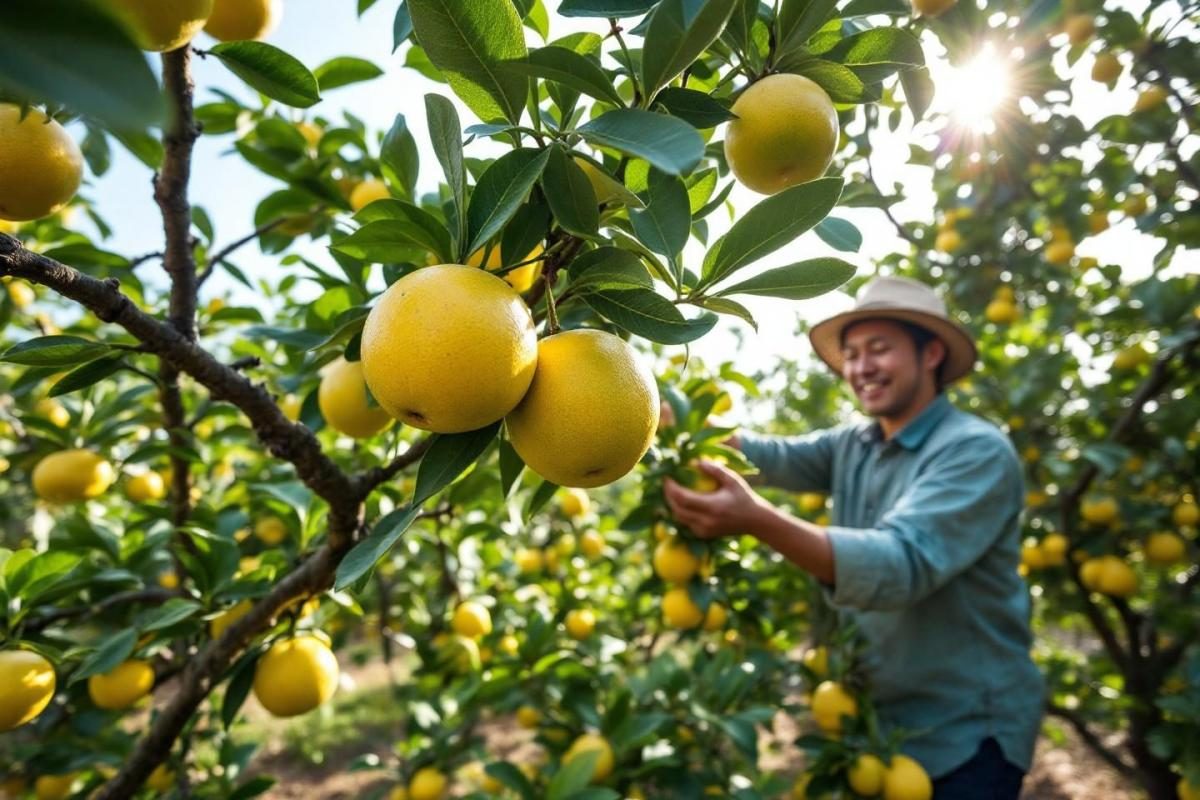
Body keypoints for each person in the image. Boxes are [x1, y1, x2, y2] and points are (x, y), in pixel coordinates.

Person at [664, 276, 1044, 799]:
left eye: (879, 349)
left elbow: (900, 564)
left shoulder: (974, 451)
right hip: (874, 730)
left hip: (966, 734)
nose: (861, 368)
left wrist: (758, 520)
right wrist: (664, 417)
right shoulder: (854, 443)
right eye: (852, 354)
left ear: (930, 352)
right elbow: (765, 456)